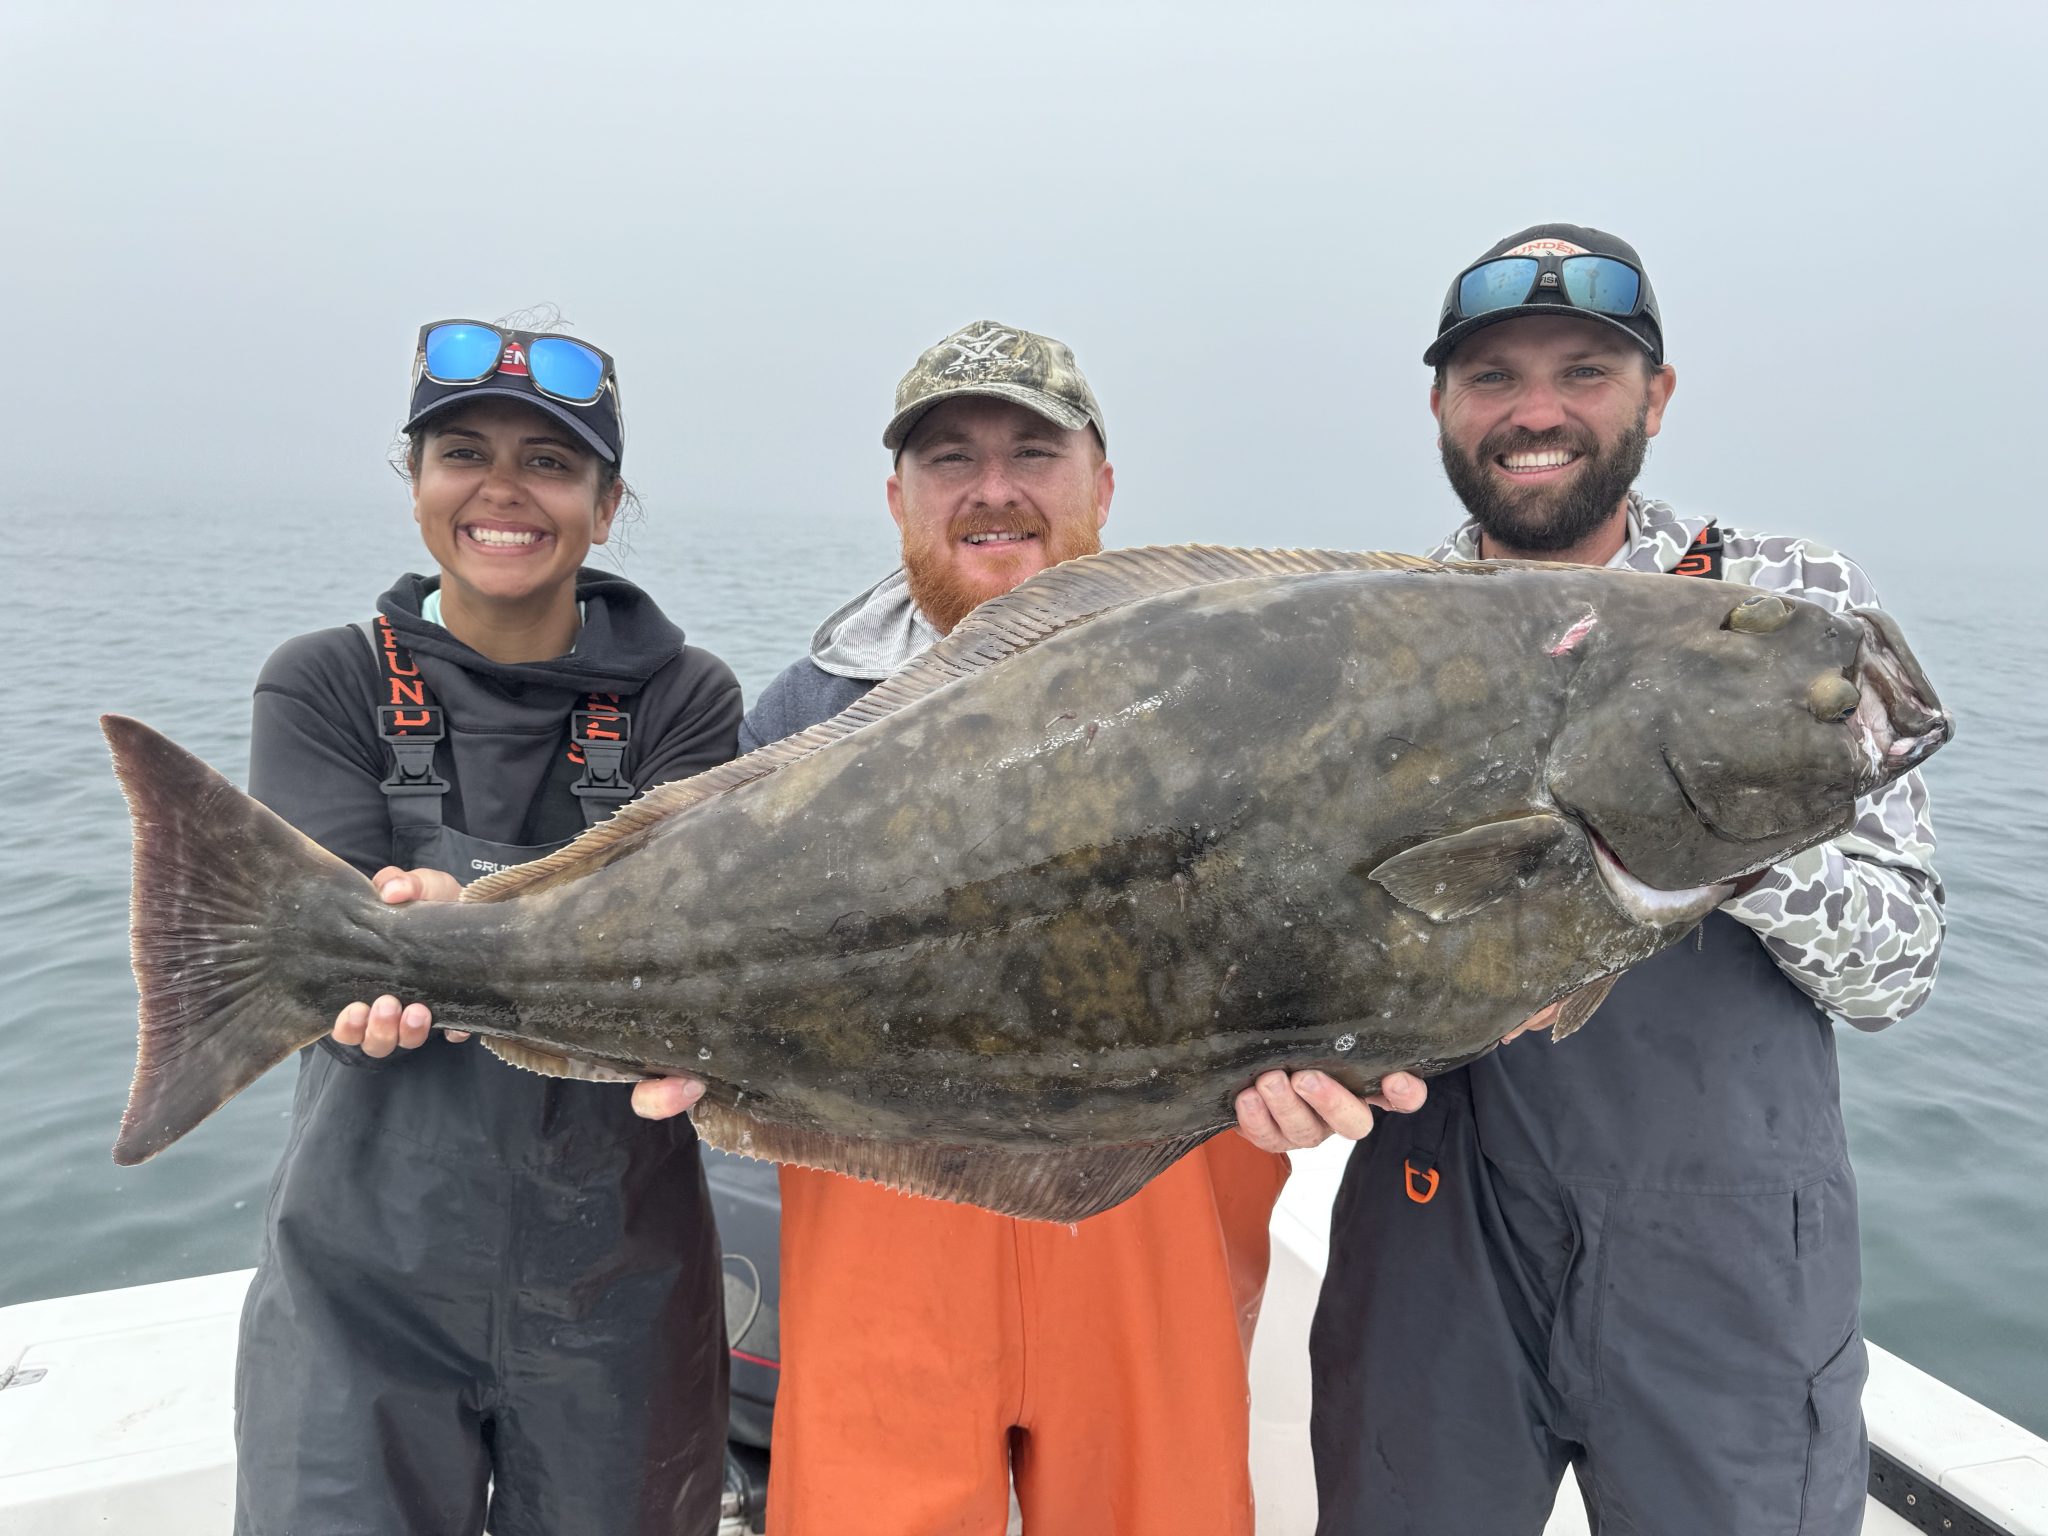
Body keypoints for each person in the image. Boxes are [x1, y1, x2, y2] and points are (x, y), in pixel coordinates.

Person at [632, 319, 1425, 1536]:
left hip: (1148, 1217)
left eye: (1031, 454)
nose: (992, 490)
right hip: (884, 1236)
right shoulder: (801, 717)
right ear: (897, 497)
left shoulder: (1231, 680)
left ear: (1100, 486)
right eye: (950, 459)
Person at [1303, 224, 1946, 1536]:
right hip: (1434, 1245)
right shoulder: (1373, 632)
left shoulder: (1792, 604)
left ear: (1656, 395)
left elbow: (1899, 966)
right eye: (1494, 378)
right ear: (1441, 407)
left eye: (1585, 371)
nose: (1538, 412)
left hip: (1728, 1265)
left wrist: (1719, 820)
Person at [232, 318, 742, 1536]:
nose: (502, 490)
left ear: (607, 506)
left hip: (624, 1283)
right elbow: (318, 950)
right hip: (361, 1285)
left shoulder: (687, 700)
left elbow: (685, 954)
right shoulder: (324, 683)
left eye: (552, 464)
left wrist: (457, 929)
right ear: (412, 483)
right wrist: (390, 948)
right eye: (462, 453)